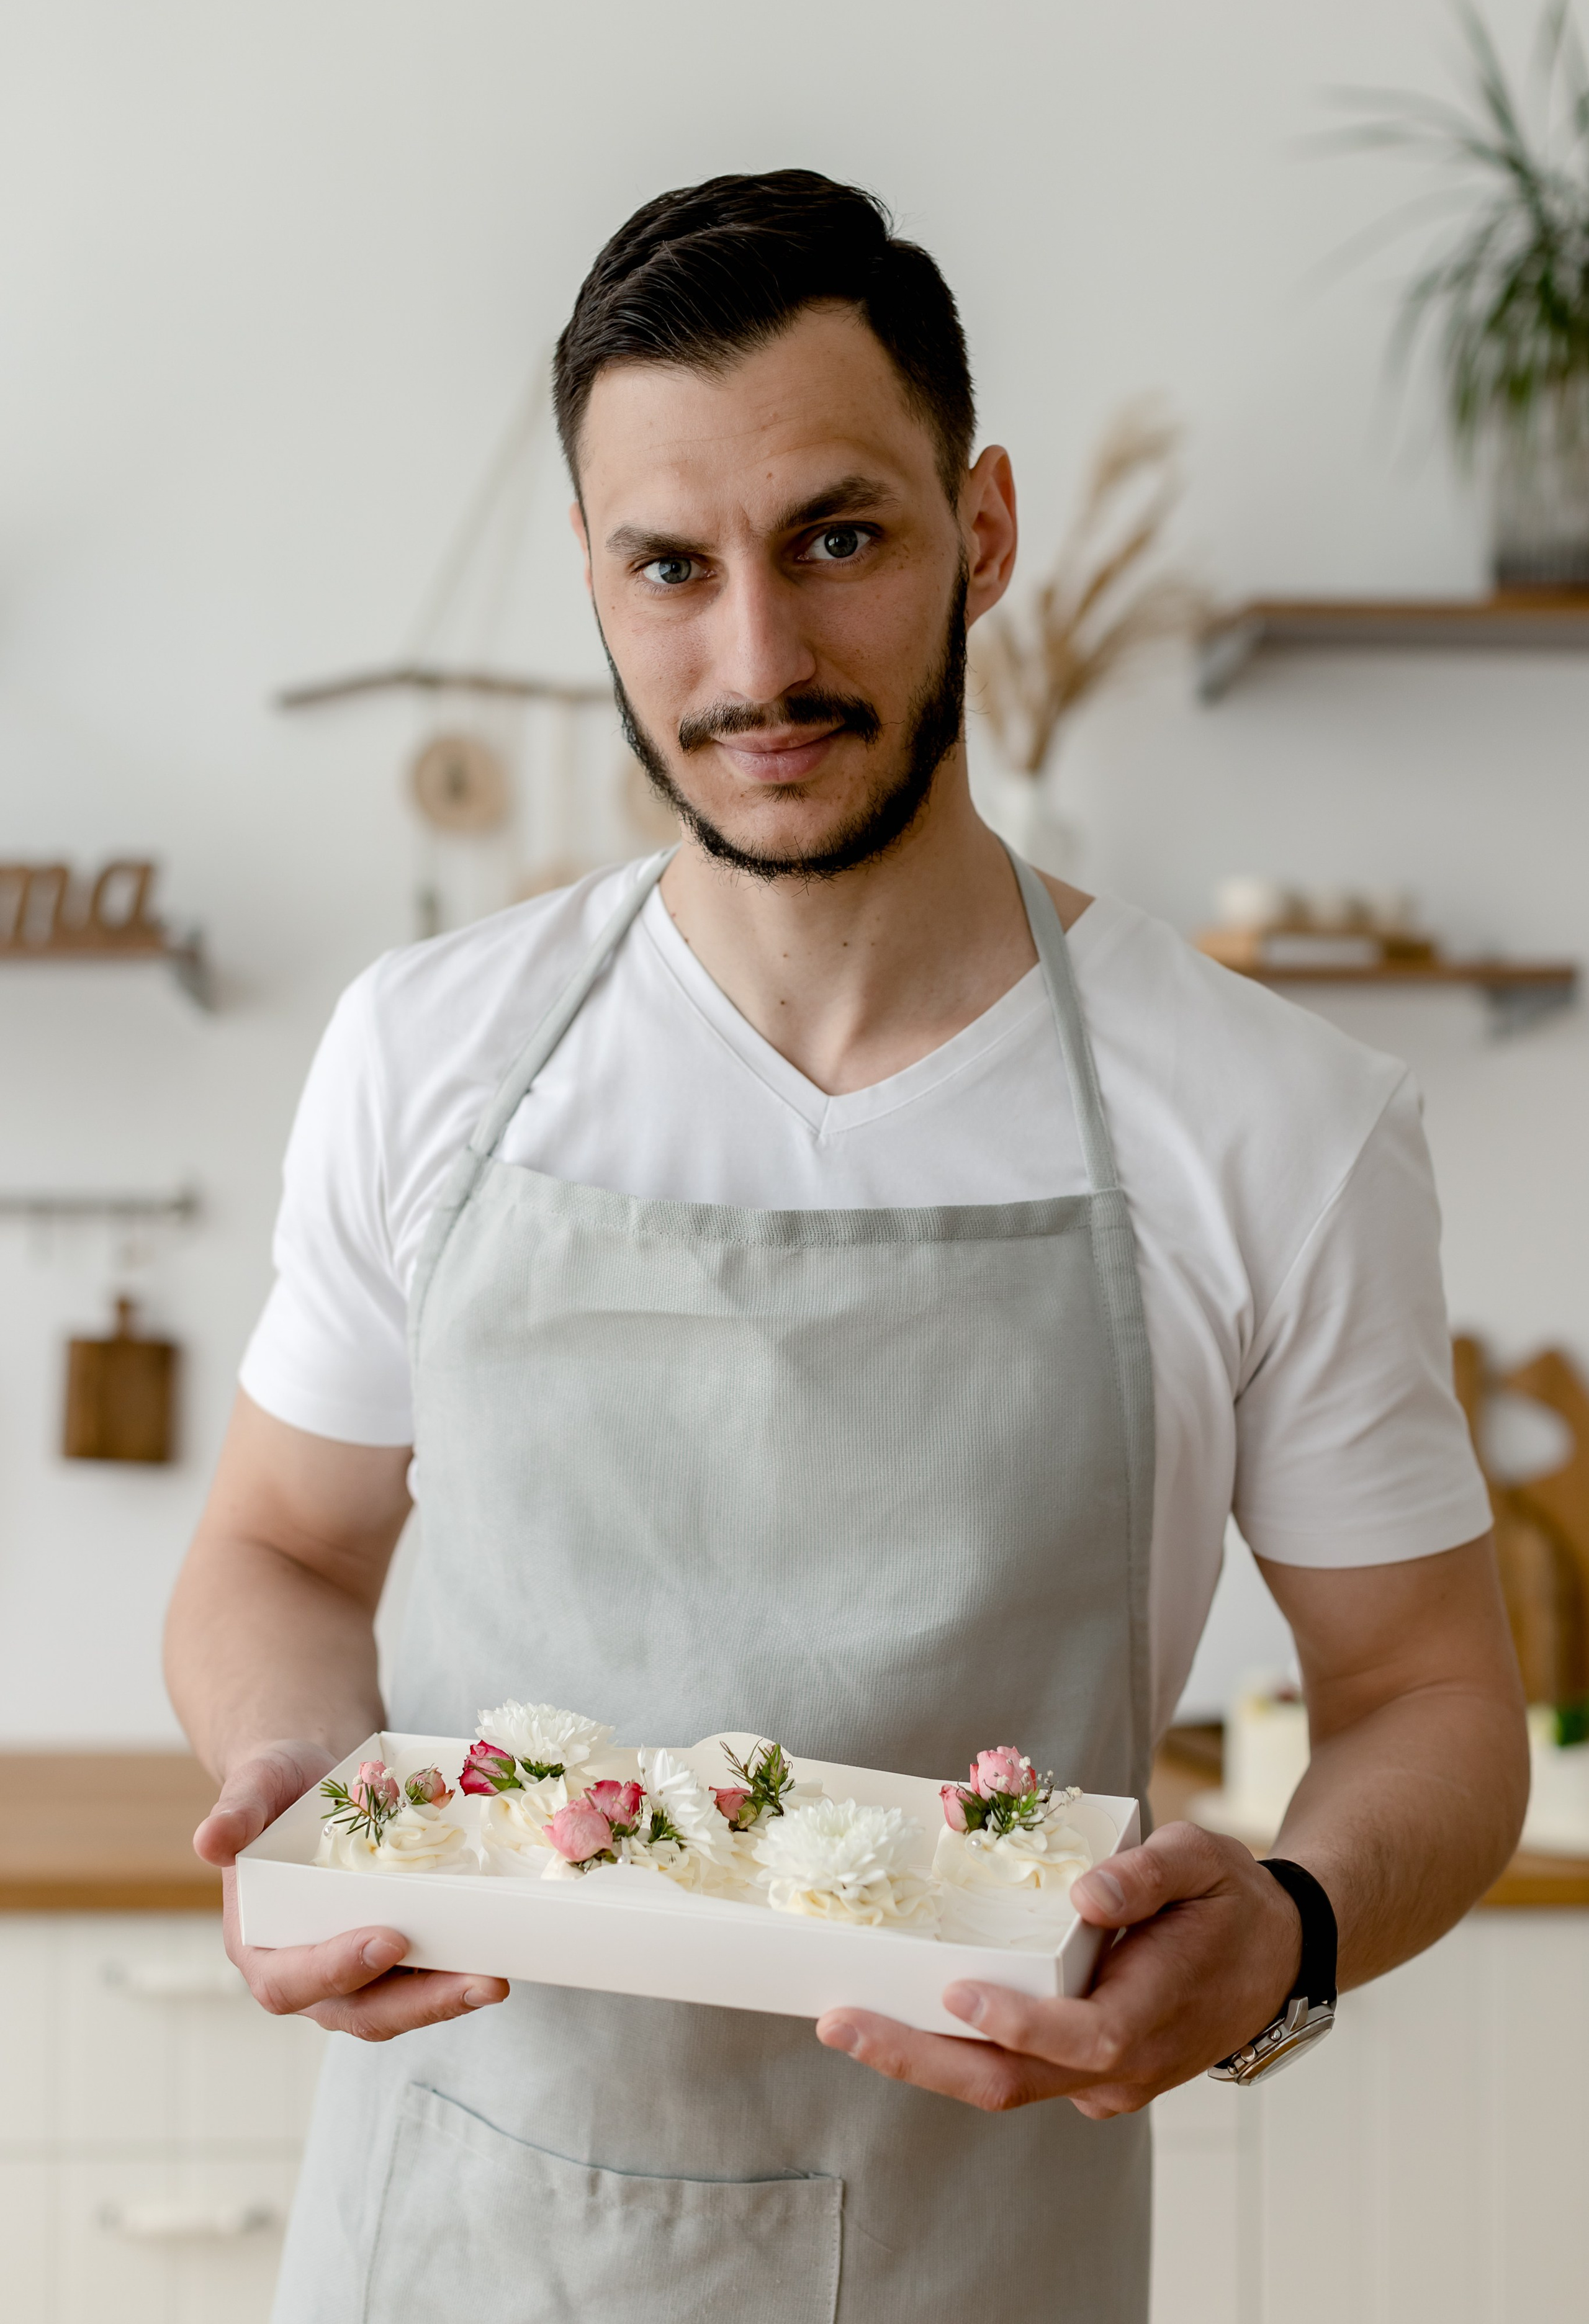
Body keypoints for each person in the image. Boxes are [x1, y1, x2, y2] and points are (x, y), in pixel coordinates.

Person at [166, 170, 1526, 2323]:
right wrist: (299, 1784)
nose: (759, 659)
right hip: (445, 2239)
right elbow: (278, 1554)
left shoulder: (1272, 1117)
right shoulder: (427, 1053)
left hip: (975, 2248)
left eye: (840, 541)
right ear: (597, 585)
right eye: (671, 569)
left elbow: (1434, 1693)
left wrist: (1293, 1924)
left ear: (981, 528)